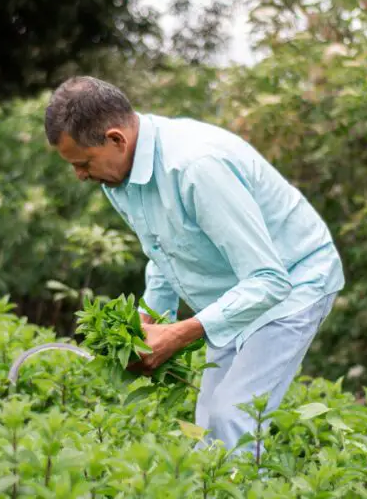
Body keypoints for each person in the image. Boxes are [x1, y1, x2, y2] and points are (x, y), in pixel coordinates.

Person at [44, 76, 345, 452]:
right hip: (236, 291)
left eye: (84, 162)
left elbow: (269, 279)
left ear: (116, 139)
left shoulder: (196, 167)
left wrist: (178, 334)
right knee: (208, 429)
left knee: (232, 415)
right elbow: (163, 250)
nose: (80, 175)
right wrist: (148, 320)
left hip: (293, 281)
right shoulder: (118, 178)